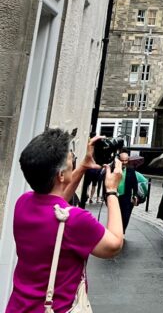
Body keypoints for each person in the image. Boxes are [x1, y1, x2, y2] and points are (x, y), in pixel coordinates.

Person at [6, 130, 124, 313]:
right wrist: (111, 191)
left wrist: (83, 166)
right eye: (72, 156)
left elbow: (57, 202)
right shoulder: (75, 221)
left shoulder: (23, 203)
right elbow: (114, 245)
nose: (73, 158)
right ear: (61, 174)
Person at [116, 149, 141, 233]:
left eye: (126, 160)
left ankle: (122, 231)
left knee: (125, 216)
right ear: (119, 159)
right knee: (116, 216)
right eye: (122, 160)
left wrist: (135, 195)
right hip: (115, 197)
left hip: (126, 197)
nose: (124, 162)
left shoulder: (131, 170)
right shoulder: (114, 169)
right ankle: (117, 231)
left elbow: (135, 184)